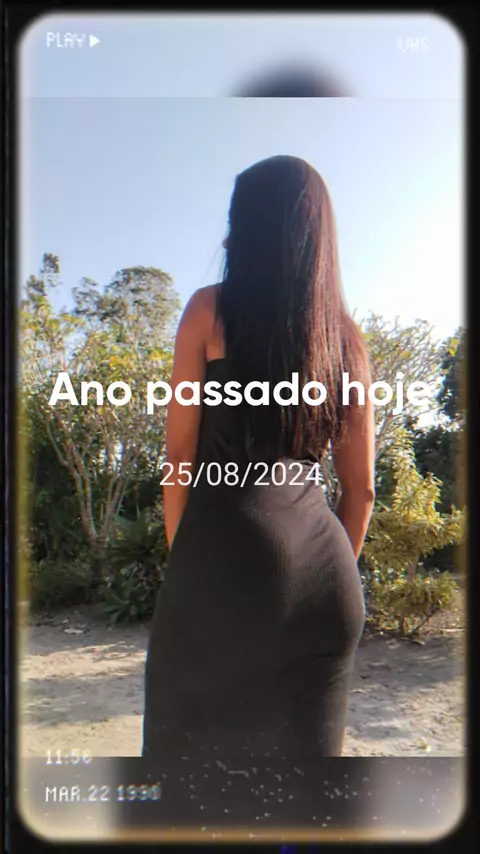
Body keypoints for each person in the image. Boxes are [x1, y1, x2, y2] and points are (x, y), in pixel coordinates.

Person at [142, 155, 375, 818]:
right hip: (327, 584)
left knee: (183, 796)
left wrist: (188, 558)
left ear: (244, 225)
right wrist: (316, 578)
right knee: (303, 806)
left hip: (223, 561)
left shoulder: (208, 312)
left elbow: (180, 456)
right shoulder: (346, 341)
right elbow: (360, 492)